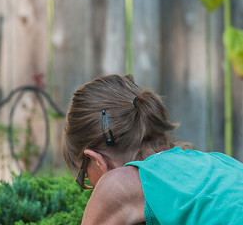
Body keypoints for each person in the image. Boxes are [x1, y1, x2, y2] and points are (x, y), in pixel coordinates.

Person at [62, 74, 243, 225]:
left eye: (84, 176)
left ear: (95, 159)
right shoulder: (219, 163)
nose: (91, 187)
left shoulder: (116, 185)